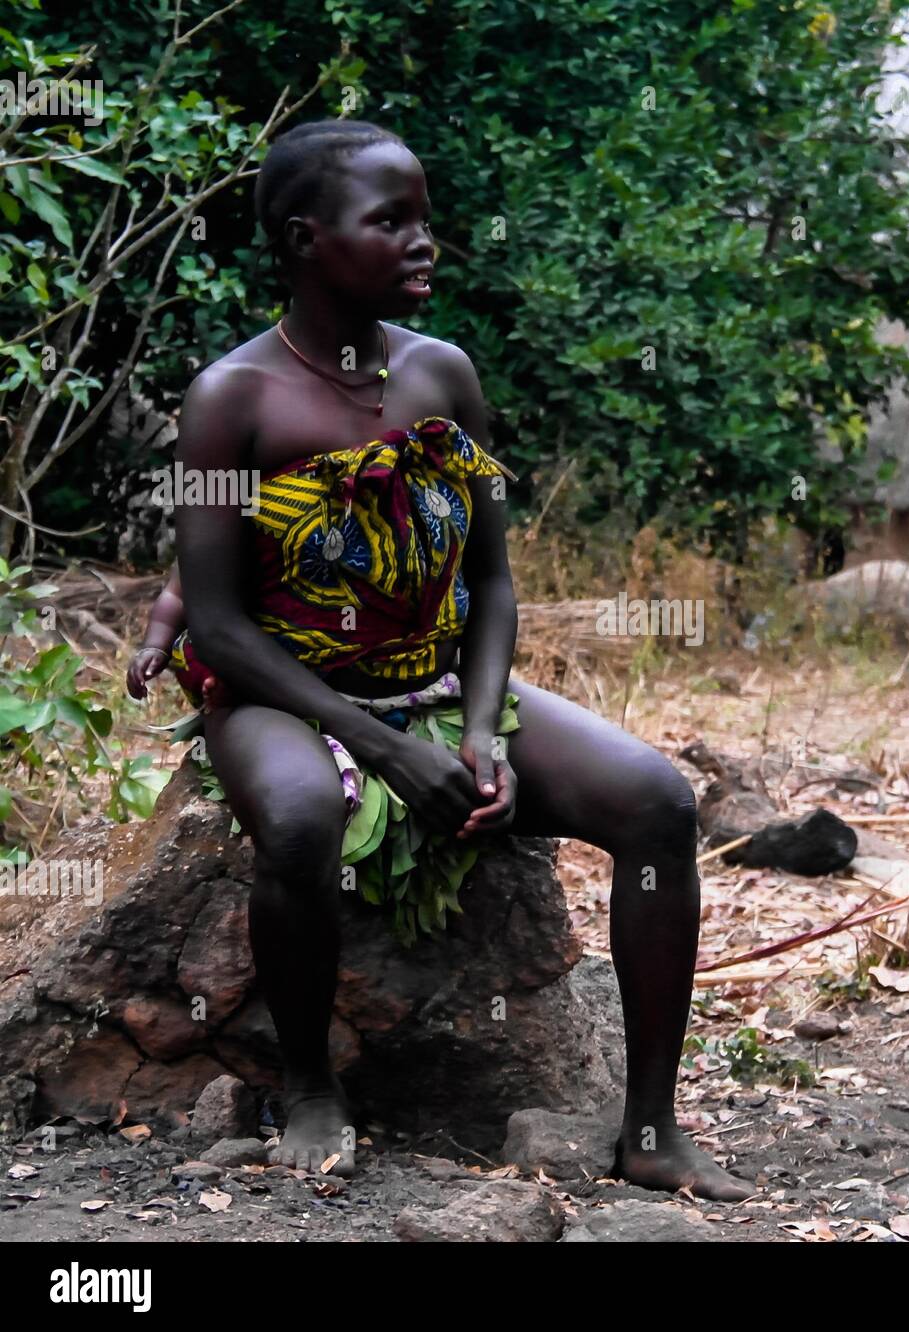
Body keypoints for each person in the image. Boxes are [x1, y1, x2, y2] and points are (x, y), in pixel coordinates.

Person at [151, 117, 751, 1201]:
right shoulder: (227, 401)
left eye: (425, 218)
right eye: (392, 222)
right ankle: (310, 1087)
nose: (425, 242)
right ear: (303, 238)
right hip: (282, 691)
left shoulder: (444, 377)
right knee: (297, 821)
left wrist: (477, 734)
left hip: (434, 674)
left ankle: (652, 1126)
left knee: (659, 804)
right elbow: (220, 621)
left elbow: (494, 581)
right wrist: (384, 750)